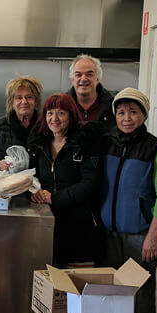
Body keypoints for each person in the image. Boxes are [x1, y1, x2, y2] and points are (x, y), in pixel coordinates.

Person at [100, 88, 157, 313]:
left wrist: (154, 235)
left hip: (140, 233)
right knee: (109, 291)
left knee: (140, 294)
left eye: (133, 112)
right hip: (108, 232)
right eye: (121, 112)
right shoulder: (107, 144)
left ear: (143, 115)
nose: (126, 118)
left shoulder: (155, 149)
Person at [28, 93, 103, 266]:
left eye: (61, 113)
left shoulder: (84, 144)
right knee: (46, 274)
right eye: (50, 113)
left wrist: (54, 198)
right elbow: (31, 176)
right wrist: (34, 191)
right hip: (45, 225)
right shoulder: (39, 144)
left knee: (74, 279)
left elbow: (90, 183)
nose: (54, 118)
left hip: (78, 227)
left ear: (71, 115)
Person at [0, 76, 43, 171]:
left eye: (29, 97)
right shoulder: (1, 126)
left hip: (38, 179)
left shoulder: (45, 125)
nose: (24, 101)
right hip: (9, 178)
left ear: (36, 101)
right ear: (12, 101)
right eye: (19, 97)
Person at [67, 54, 115, 126]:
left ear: (97, 78)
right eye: (78, 75)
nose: (83, 79)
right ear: (72, 80)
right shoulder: (62, 105)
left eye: (89, 74)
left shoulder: (112, 105)